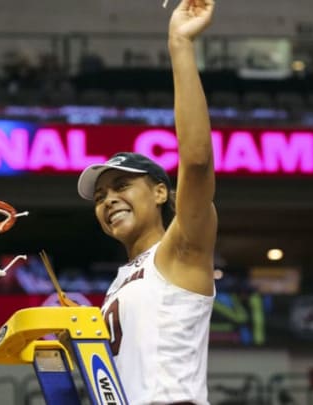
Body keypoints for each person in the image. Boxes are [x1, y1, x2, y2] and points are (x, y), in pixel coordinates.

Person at [75, 0, 216, 403]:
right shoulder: (121, 281)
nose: (108, 200)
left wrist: (180, 43)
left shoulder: (181, 252)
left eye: (121, 186)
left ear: (159, 192)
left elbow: (198, 162)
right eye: (100, 196)